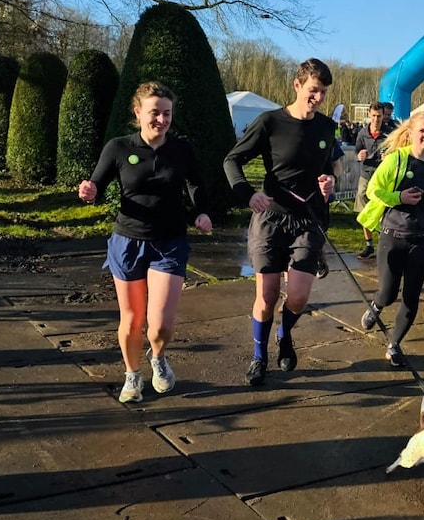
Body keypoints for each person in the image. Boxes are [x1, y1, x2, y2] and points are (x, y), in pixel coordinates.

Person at [78, 81, 213, 403]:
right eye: (155, 113)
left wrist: (202, 212)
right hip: (127, 242)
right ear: (138, 112)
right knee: (132, 319)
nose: (162, 120)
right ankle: (132, 376)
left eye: (167, 114)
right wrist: (90, 192)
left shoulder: (181, 149)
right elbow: (96, 183)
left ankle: (158, 357)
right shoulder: (119, 147)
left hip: (169, 243)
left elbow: (196, 185)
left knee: (160, 326)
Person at [224, 58, 338, 386]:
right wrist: (246, 194)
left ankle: (284, 335)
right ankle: (259, 357)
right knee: (268, 294)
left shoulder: (327, 128)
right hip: (270, 218)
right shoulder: (270, 122)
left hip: (308, 219)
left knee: (299, 296)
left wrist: (328, 181)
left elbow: (327, 167)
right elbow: (232, 160)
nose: (318, 98)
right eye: (314, 90)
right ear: (297, 85)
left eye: (324, 93)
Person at [356, 112, 424, 367]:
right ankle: (376, 306)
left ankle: (394, 344)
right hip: (393, 236)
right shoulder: (397, 159)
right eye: (422, 130)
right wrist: (399, 197)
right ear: (410, 132)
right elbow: (373, 189)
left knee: (411, 298)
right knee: (387, 294)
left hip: (421, 239)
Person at [354, 102, 390, 259]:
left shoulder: (389, 133)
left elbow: (397, 151)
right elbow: (357, 151)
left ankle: (385, 243)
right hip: (366, 174)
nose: (376, 119)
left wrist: (389, 156)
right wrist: (359, 155)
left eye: (379, 116)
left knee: (384, 210)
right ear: (369, 115)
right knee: (364, 209)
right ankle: (369, 244)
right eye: (374, 116)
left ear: (383, 116)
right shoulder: (362, 133)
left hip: (382, 177)